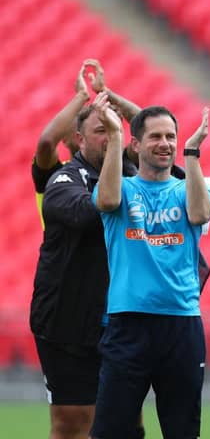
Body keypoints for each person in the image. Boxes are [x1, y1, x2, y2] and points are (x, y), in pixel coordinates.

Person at [87, 94, 210, 439]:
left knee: (182, 430)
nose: (165, 143)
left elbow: (200, 215)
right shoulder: (121, 189)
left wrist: (192, 153)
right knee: (111, 430)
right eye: (155, 136)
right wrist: (113, 137)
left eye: (170, 136)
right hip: (129, 324)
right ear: (136, 144)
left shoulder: (191, 187)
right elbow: (108, 201)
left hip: (181, 325)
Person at [30, 100, 138, 439]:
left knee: (126, 422)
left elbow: (151, 130)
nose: (111, 136)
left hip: (120, 319)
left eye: (115, 129)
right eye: (101, 129)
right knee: (72, 422)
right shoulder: (63, 179)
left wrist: (117, 105)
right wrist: (81, 97)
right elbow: (88, 212)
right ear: (79, 139)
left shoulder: (134, 175)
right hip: (68, 323)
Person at [32, 59, 142, 227]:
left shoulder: (119, 162)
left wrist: (106, 93)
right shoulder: (57, 175)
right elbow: (46, 142)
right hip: (70, 249)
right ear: (69, 138)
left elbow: (146, 128)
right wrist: (81, 96)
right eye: (77, 127)